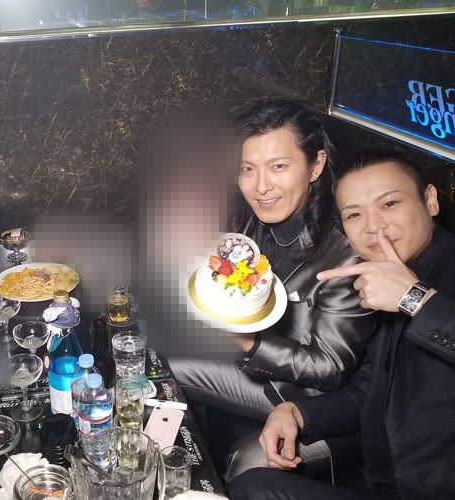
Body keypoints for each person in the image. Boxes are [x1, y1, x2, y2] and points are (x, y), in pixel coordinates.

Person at [229, 148, 455, 500]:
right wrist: (297, 413)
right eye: (354, 214)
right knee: (251, 485)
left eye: (390, 204)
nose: (374, 226)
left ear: (430, 200)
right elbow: (369, 390)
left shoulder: (421, 282)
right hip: (386, 484)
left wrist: (415, 299)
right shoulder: (382, 280)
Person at [166, 97, 375, 477]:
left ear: (316, 165)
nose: (261, 186)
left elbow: (331, 369)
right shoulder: (250, 221)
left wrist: (246, 342)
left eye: (278, 166)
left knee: (247, 465)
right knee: (160, 367)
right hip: (250, 370)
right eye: (247, 169)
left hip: (308, 399)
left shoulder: (345, 254)